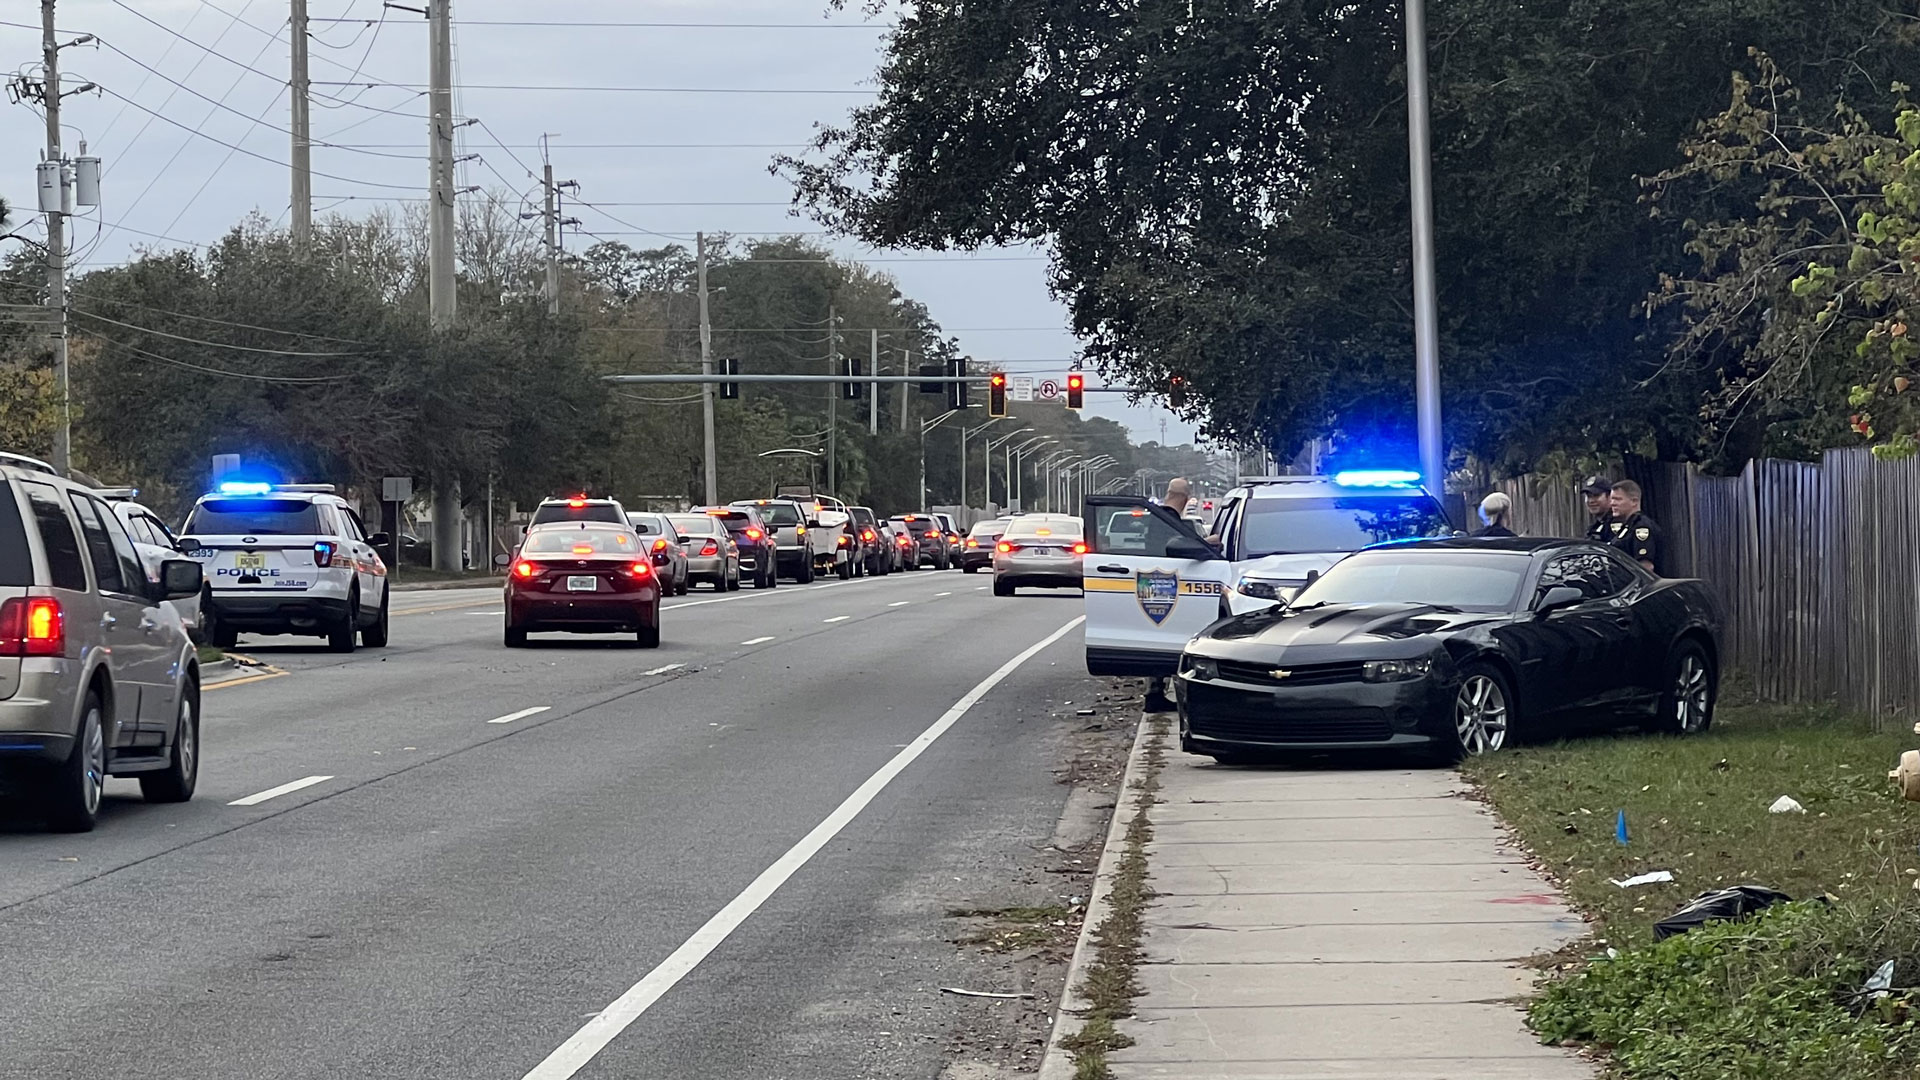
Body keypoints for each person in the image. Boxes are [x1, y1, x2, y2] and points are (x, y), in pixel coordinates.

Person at [1606, 479, 1663, 574]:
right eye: (1612, 499)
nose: (1612, 503)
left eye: (1618, 499)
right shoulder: (1627, 527)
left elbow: (1646, 567)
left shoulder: (1641, 527)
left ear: (1634, 501)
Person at [1580, 475, 1614, 542]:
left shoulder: (1616, 527)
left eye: (1596, 495)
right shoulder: (1594, 527)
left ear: (1610, 497)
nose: (1591, 501)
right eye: (1589, 496)